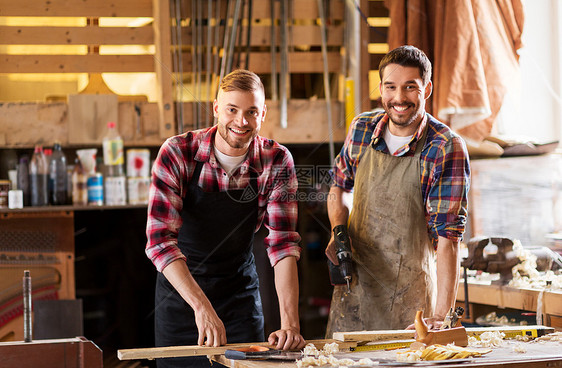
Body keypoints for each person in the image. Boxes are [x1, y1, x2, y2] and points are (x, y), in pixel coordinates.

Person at [146, 69, 306, 367]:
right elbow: (159, 243)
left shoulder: (277, 160)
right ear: (216, 108)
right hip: (182, 300)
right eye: (232, 109)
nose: (241, 121)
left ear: (263, 114)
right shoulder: (178, 153)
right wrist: (202, 307)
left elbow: (282, 245)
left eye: (251, 112)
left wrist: (291, 325)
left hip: (239, 298)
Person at [325, 45, 470, 336]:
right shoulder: (362, 128)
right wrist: (338, 231)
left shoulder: (445, 146)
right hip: (356, 291)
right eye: (391, 87)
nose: (399, 98)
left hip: (412, 301)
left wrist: (441, 316)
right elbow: (338, 188)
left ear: (426, 89)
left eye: (410, 87)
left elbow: (448, 238)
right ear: (380, 88)